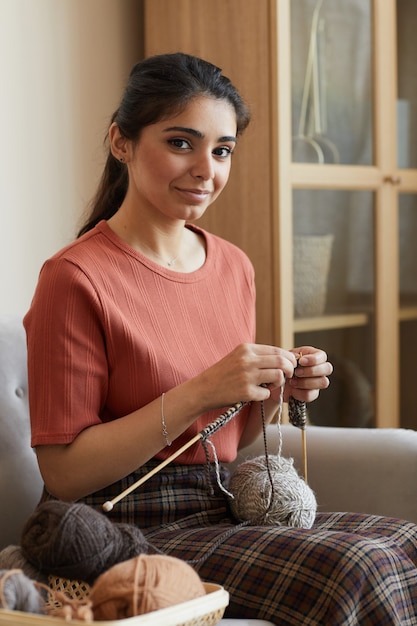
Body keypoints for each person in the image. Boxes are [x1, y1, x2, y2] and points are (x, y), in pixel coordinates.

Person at [24, 53, 417, 624]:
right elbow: (62, 473)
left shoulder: (232, 265)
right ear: (121, 142)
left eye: (222, 149)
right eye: (182, 143)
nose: (206, 168)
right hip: (119, 524)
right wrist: (200, 388)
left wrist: (277, 388)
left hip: (223, 501)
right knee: (356, 565)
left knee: (406, 541)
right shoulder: (74, 277)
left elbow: (228, 438)